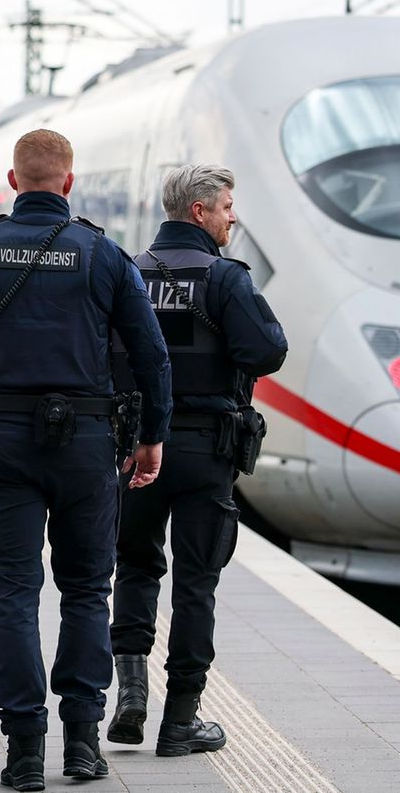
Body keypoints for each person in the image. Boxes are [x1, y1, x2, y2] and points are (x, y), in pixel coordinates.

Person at [0, 129, 172, 792]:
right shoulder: (104, 255)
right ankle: (83, 745)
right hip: (89, 446)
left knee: (13, 597)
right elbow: (150, 354)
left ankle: (25, 751)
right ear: (68, 182)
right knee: (87, 591)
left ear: (12, 181)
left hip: (1, 445)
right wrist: (152, 434)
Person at [109, 165, 287, 756]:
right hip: (206, 450)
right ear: (199, 212)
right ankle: (180, 720)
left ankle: (131, 692)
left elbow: (104, 358)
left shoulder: (127, 273)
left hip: (138, 448)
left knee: (135, 567)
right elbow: (268, 350)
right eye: (227, 206)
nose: (233, 216)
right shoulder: (225, 279)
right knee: (195, 584)